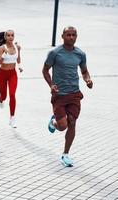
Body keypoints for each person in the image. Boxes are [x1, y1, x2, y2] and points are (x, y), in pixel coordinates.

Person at [42, 26, 93, 167]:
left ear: (76, 36)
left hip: (74, 94)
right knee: (62, 126)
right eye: (68, 34)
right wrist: (51, 85)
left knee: (72, 122)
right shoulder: (55, 53)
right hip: (59, 95)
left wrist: (87, 79)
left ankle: (65, 154)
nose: (71, 37)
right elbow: (45, 70)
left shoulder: (80, 54)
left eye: (74, 35)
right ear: (62, 36)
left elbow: (84, 71)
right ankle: (53, 122)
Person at [0, 30, 22, 128]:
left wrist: (19, 66)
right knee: (4, 96)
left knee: (12, 94)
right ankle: (1, 99)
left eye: (12, 35)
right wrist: (4, 55)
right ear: (5, 37)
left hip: (12, 74)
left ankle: (12, 118)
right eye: (8, 36)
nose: (11, 37)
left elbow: (18, 59)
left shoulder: (16, 47)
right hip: (2, 74)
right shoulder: (2, 48)